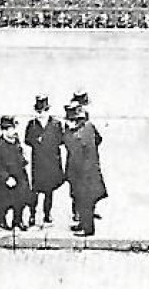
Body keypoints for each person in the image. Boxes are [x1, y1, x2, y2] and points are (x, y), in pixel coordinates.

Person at [63, 102, 107, 236]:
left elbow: (73, 154)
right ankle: (83, 224)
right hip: (91, 171)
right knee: (86, 201)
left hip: (82, 174)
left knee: (84, 202)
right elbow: (99, 139)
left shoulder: (74, 136)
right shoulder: (90, 127)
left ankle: (87, 229)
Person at [25, 97, 66, 227]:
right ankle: (32, 214)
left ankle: (47, 214)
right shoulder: (32, 125)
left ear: (48, 111)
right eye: (38, 112)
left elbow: (61, 140)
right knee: (35, 190)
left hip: (51, 162)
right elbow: (27, 139)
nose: (40, 115)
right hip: (38, 162)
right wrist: (36, 141)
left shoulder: (56, 124)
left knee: (49, 190)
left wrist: (48, 143)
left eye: (42, 112)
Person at [0, 115, 32, 230]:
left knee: (21, 199)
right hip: (6, 178)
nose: (13, 131)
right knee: (3, 201)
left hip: (19, 174)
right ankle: (0, 220)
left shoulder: (16, 142)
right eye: (10, 129)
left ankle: (17, 220)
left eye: (13, 128)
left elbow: (20, 157)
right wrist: (6, 178)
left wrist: (24, 160)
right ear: (4, 131)